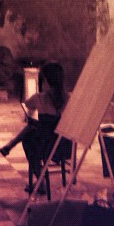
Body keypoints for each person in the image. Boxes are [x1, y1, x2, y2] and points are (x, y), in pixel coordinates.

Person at [17, 63, 71, 193]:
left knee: (28, 141)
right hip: (64, 147)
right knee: (34, 136)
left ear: (45, 81)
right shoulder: (69, 98)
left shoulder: (39, 98)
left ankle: (41, 180)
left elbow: (27, 105)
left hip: (45, 148)